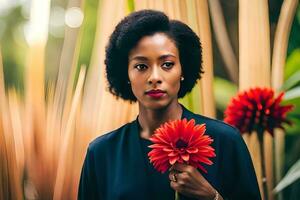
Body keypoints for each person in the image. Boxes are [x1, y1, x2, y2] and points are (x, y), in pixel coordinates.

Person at [78, 9, 261, 200]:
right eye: (141, 66)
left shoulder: (225, 141)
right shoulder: (101, 153)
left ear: (183, 69)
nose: (155, 77)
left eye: (167, 64)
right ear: (126, 75)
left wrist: (212, 196)